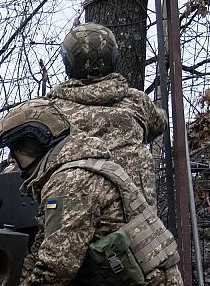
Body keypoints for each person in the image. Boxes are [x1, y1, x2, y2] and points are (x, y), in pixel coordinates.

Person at [0, 98, 182, 286]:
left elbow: (56, 268)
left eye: (14, 149)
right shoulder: (77, 168)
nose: (12, 159)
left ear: (32, 145)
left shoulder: (69, 182)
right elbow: (46, 247)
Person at [49, 22, 167, 200]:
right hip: (137, 222)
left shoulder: (49, 110)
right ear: (114, 58)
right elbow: (160, 123)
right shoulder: (136, 101)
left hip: (71, 217)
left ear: (68, 61)